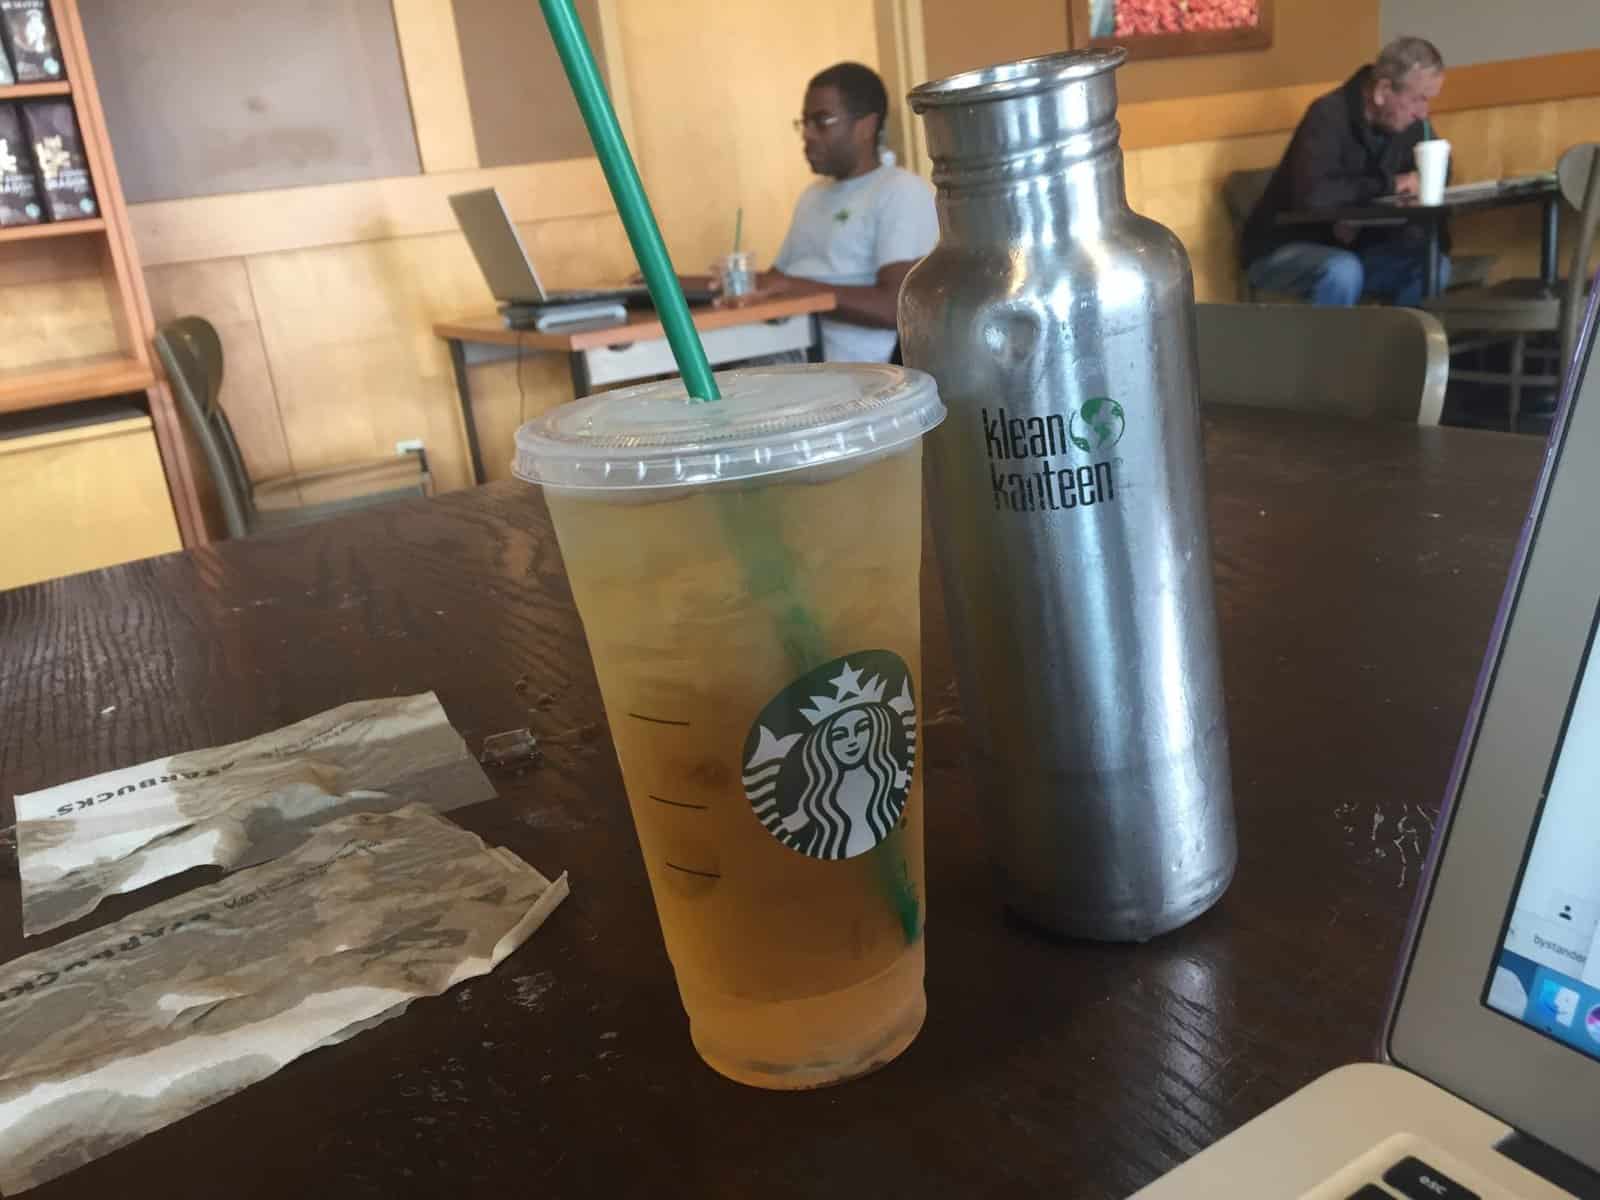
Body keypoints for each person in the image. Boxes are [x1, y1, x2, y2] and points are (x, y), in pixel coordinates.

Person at [1240, 37, 1449, 307]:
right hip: (1284, 247)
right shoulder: (1327, 116)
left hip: (1356, 248)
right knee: (1343, 272)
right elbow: (1315, 196)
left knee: (1433, 267)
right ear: (1383, 90)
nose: (1423, 112)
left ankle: (1396, 336)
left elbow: (1438, 167)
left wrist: (1418, 184)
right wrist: (1390, 185)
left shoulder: (1408, 123)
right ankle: (1333, 339)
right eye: (1418, 99)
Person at [763, 62, 938, 363]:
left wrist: (797, 291)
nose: (807, 135)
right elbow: (773, 282)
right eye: (804, 123)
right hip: (787, 350)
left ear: (866, 127)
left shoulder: (899, 191)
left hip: (856, 372)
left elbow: (897, 307)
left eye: (822, 121)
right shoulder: (812, 196)